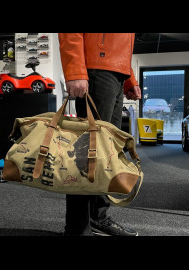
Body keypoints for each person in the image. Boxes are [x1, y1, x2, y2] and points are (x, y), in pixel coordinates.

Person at [58, 33, 141, 236]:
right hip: (97, 70)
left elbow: (123, 43)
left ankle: (98, 218)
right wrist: (75, 70)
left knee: (107, 154)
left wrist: (129, 79)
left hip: (116, 74)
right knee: (87, 154)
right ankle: (77, 229)